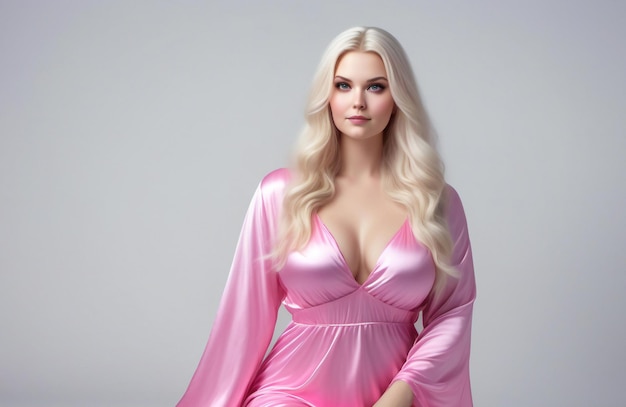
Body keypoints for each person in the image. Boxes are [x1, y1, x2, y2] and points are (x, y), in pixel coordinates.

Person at [177, 26, 476, 407]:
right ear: (327, 96)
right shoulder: (280, 195)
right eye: (343, 85)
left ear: (399, 98)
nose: (358, 103)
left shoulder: (439, 204)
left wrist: (401, 395)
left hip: (397, 395)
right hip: (290, 393)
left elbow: (453, 313)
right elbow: (243, 318)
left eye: (376, 87)